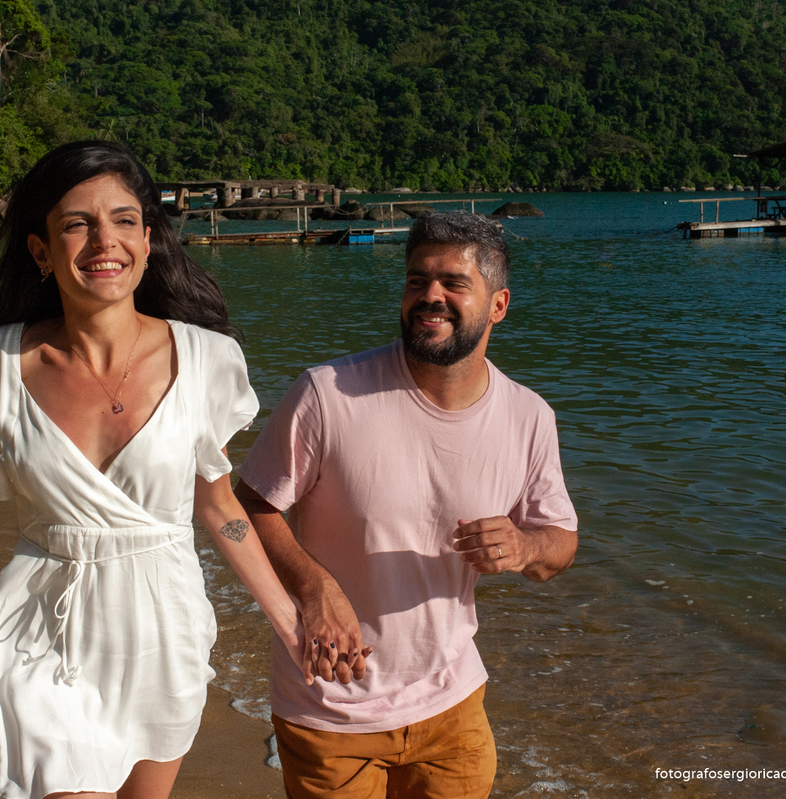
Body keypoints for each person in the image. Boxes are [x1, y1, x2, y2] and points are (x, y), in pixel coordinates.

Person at [0, 141, 306, 799]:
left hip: (162, 621)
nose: (105, 239)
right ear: (41, 250)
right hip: (42, 620)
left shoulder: (207, 359)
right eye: (77, 222)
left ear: (149, 240)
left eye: (124, 220)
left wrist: (291, 623)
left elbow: (217, 505)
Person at [234, 211, 579, 798]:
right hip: (331, 708)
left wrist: (524, 547)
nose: (430, 298)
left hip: (454, 706)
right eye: (417, 281)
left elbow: (559, 544)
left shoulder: (528, 418)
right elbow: (247, 506)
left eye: (453, 284)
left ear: (498, 305)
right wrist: (315, 588)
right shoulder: (328, 394)